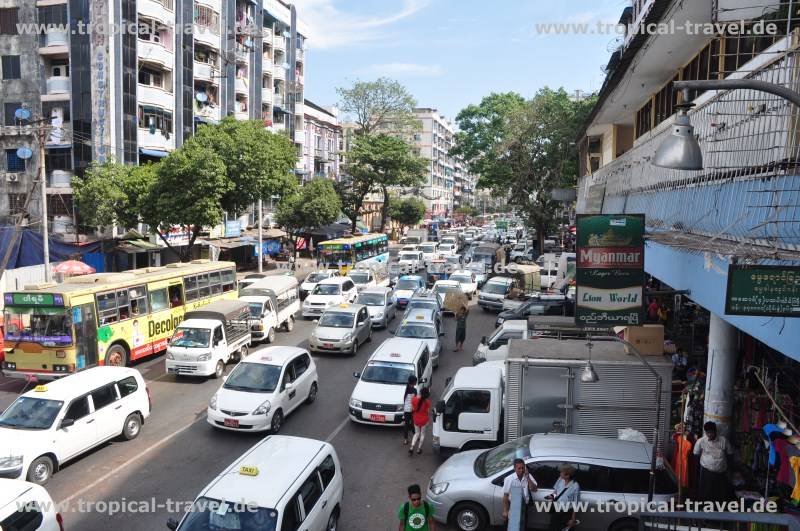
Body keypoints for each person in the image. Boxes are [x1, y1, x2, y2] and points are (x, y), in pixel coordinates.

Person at [693, 421, 734, 502]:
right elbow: (696, 454)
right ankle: (704, 507)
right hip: (706, 471)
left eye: (711, 432)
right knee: (705, 491)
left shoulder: (723, 440)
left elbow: (730, 454)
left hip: (721, 471)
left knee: (719, 492)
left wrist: (729, 469)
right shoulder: (701, 441)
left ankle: (718, 509)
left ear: (715, 431)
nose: (709, 435)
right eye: (707, 433)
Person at [547, 464, 580, 531]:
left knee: (564, 529)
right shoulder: (560, 480)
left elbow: (575, 504)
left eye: (561, 472)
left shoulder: (575, 486)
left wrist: (572, 519)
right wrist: (550, 498)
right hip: (556, 510)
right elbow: (556, 492)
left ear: (567, 475)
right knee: (553, 528)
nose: (560, 473)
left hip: (567, 513)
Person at [409, 387, 431, 455]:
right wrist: (428, 420)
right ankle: (419, 449)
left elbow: (411, 409)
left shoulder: (414, 400)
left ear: (420, 392)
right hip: (424, 420)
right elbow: (427, 412)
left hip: (416, 419)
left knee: (416, 433)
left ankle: (412, 447)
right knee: (422, 434)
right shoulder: (427, 402)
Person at [402, 375, 418, 445]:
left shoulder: (406, 389)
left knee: (406, 424)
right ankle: (415, 436)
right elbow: (415, 401)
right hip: (412, 410)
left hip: (406, 409)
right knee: (413, 424)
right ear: (414, 382)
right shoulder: (414, 390)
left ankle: (405, 439)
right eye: (415, 381)